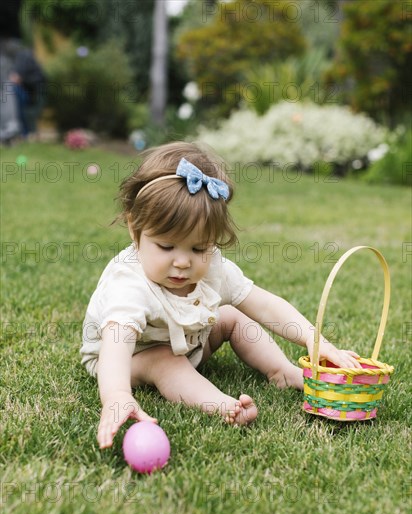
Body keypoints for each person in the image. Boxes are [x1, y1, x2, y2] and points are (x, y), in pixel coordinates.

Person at [80, 141, 360, 449]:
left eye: (198, 248)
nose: (183, 261)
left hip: (188, 340)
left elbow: (264, 305)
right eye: (166, 246)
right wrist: (118, 395)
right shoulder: (129, 285)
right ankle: (224, 405)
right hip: (130, 358)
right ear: (135, 229)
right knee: (163, 359)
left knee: (232, 316)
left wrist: (313, 339)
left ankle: (282, 371)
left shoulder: (213, 267)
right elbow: (116, 346)